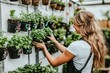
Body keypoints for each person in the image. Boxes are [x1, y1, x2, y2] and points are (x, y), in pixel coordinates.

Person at [33, 11, 106, 73]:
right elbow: (70, 52)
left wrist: (43, 47)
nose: (73, 26)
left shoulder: (77, 45)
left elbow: (54, 63)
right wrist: (55, 41)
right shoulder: (91, 43)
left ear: (82, 26)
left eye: (75, 24)